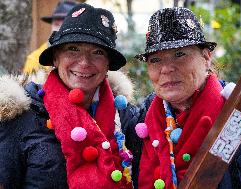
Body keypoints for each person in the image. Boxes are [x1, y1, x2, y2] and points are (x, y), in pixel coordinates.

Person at [134, 7, 241, 189]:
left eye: (179, 54)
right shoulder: (141, 121)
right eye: (155, 60)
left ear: (206, 58)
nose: (166, 69)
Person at [0, 3, 140, 189]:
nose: (84, 62)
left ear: (108, 65)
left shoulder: (124, 118)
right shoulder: (20, 117)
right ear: (56, 58)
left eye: (97, 52)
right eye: (73, 48)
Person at [23, 1, 77, 77]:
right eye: (56, 24)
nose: (60, 29)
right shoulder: (35, 60)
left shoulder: (89, 57)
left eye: (66, 24)